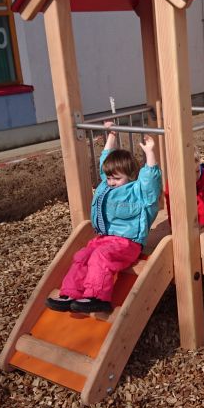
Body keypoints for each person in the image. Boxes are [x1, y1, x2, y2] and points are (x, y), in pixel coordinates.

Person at [46, 122, 161, 314]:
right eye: (109, 178)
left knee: (101, 256)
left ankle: (97, 296)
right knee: (82, 255)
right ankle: (71, 293)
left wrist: (150, 153)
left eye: (117, 178)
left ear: (131, 176)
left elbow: (151, 180)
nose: (111, 182)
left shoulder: (138, 192)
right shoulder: (106, 185)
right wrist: (112, 135)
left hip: (128, 243)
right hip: (104, 239)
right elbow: (105, 162)